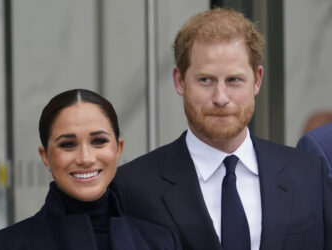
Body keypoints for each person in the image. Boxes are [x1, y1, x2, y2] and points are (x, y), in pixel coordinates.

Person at [115, 8, 332, 250]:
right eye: (205, 80)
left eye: (234, 80)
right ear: (179, 81)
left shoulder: (308, 173)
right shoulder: (132, 187)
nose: (221, 98)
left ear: (257, 80)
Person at [0, 89, 182, 250]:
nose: (86, 158)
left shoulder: (160, 243)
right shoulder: (1, 247)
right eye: (68, 144)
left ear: (118, 149)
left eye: (99, 141)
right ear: (45, 156)